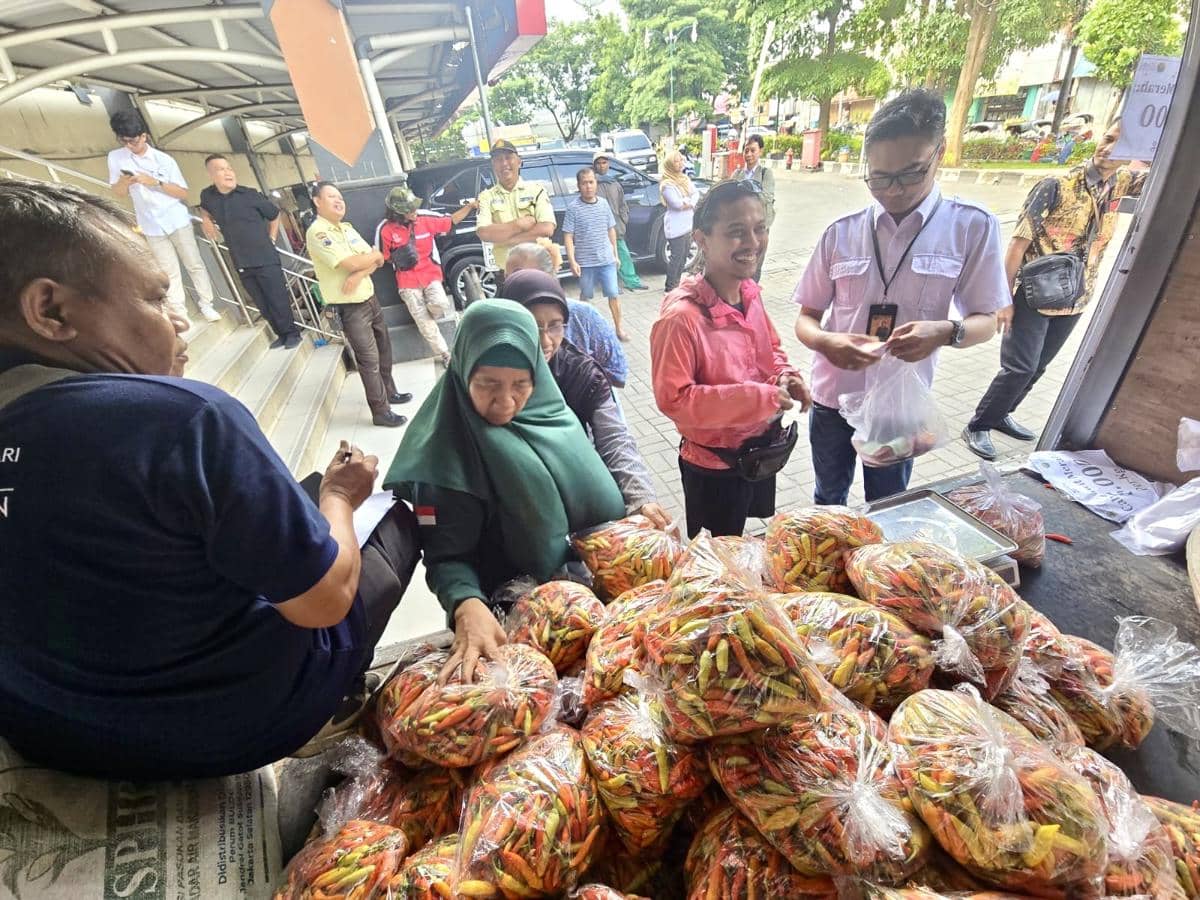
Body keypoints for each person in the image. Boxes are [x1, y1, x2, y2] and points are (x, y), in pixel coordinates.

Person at [0, 180, 419, 778]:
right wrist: (338, 495)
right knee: (390, 514)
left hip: (50, 735)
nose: (180, 323)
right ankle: (334, 698)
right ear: (51, 311)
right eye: (154, 298)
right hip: (225, 730)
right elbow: (325, 600)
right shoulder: (184, 418)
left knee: (284, 506)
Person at [383, 300, 628, 681]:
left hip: (583, 606)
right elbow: (446, 557)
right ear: (463, 370)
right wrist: (465, 604)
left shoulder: (552, 415)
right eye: (488, 384)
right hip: (516, 623)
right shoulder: (447, 456)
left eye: (521, 384)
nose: (506, 401)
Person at [793, 89, 1008, 505]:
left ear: (939, 154)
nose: (892, 191)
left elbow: (988, 321)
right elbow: (806, 317)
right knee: (828, 499)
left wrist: (946, 331)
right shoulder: (842, 232)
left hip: (899, 406)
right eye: (879, 177)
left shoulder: (971, 227)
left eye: (910, 174)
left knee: (890, 503)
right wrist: (825, 342)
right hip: (833, 399)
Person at [964, 121, 1144, 460]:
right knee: (1020, 367)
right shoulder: (1056, 185)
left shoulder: (1121, 182)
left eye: (1122, 145)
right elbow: (1017, 246)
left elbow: (1166, 167)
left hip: (1076, 296)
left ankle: (1003, 413)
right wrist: (1002, 300)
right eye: (1107, 138)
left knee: (1040, 366)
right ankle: (979, 424)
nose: (1108, 149)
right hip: (1035, 295)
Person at [651, 179, 812, 538]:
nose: (753, 243)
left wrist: (786, 376)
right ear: (702, 239)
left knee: (744, 541)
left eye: (760, 229)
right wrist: (762, 397)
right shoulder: (681, 319)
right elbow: (673, 399)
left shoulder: (749, 294)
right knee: (717, 562)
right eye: (737, 232)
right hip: (714, 466)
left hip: (756, 452)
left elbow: (770, 348)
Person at [503, 268, 667, 526]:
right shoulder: (492, 371)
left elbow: (614, 438)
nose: (546, 341)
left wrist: (641, 498)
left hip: (574, 499)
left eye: (555, 326)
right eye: (532, 326)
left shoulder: (580, 373)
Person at [306, 182, 412, 427]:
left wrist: (357, 274)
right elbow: (354, 262)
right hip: (350, 308)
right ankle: (380, 411)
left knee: (384, 350)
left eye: (341, 197)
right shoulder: (319, 232)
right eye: (331, 196)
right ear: (317, 201)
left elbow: (378, 257)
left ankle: (391, 393)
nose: (339, 201)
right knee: (369, 360)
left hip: (369, 298)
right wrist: (361, 265)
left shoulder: (346, 228)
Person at [106, 109, 221, 324]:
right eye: (125, 141)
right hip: (150, 224)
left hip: (176, 219)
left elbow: (183, 193)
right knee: (169, 270)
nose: (130, 145)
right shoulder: (116, 157)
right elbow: (118, 192)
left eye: (134, 140)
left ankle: (207, 304)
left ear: (144, 136)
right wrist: (125, 182)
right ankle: (180, 311)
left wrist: (155, 182)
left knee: (194, 263)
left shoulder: (163, 160)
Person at [199, 154, 302, 349]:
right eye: (222, 169)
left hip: (265, 257)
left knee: (277, 299)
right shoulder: (208, 196)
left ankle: (292, 333)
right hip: (241, 261)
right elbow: (205, 209)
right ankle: (279, 334)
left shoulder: (250, 194)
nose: (228, 172)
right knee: (262, 303)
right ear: (211, 175)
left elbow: (274, 215)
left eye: (229, 168)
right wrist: (205, 219)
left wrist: (271, 238)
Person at [504, 242, 628, 388]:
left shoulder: (583, 316)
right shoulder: (500, 324)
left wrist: (587, 386)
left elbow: (618, 370)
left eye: (555, 325)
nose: (545, 341)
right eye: (508, 276)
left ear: (550, 278)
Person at [378, 184, 476, 366]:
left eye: (414, 207)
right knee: (424, 323)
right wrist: (395, 258)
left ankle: (429, 314)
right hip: (407, 281)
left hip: (430, 275)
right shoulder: (386, 230)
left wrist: (470, 207)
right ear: (398, 213)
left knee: (440, 304)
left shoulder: (425, 219)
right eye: (409, 210)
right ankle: (446, 354)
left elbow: (451, 221)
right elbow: (381, 256)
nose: (414, 211)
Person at [474, 139, 556, 281]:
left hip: (539, 269)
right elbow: (484, 233)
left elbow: (546, 229)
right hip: (506, 273)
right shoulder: (486, 197)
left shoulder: (537, 191)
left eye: (508, 158)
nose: (504, 163)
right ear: (493, 165)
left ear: (519, 161)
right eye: (498, 159)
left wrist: (504, 239)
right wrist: (518, 225)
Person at [564, 168, 628, 342]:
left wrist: (616, 255)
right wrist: (572, 260)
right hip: (585, 263)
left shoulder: (604, 204)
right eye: (584, 183)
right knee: (585, 297)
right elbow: (568, 236)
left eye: (591, 182)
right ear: (579, 185)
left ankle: (619, 328)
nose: (588, 186)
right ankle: (584, 331)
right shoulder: (573, 208)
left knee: (613, 295)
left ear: (596, 183)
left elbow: (611, 230)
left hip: (606, 259)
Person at [592, 151, 647, 292]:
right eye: (598, 163)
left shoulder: (614, 183)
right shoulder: (592, 184)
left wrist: (623, 219)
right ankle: (611, 284)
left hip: (616, 227)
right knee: (605, 257)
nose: (602, 166)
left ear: (608, 164)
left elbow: (623, 204)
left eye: (604, 162)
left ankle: (632, 281)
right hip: (600, 228)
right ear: (594, 165)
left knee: (623, 254)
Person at [732, 134, 777, 281]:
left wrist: (746, 192)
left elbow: (767, 196)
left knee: (755, 265)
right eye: (746, 150)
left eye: (753, 150)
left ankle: (752, 298)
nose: (749, 154)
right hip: (739, 228)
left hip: (758, 229)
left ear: (760, 151)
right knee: (738, 265)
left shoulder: (766, 174)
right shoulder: (737, 174)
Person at [661, 152, 700, 293]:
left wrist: (688, 202)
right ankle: (670, 287)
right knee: (676, 257)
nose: (680, 164)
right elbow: (676, 204)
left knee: (684, 257)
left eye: (680, 161)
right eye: (676, 162)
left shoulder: (684, 179)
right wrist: (688, 202)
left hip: (688, 225)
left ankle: (677, 283)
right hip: (675, 227)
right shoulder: (666, 184)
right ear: (670, 165)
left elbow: (695, 194)